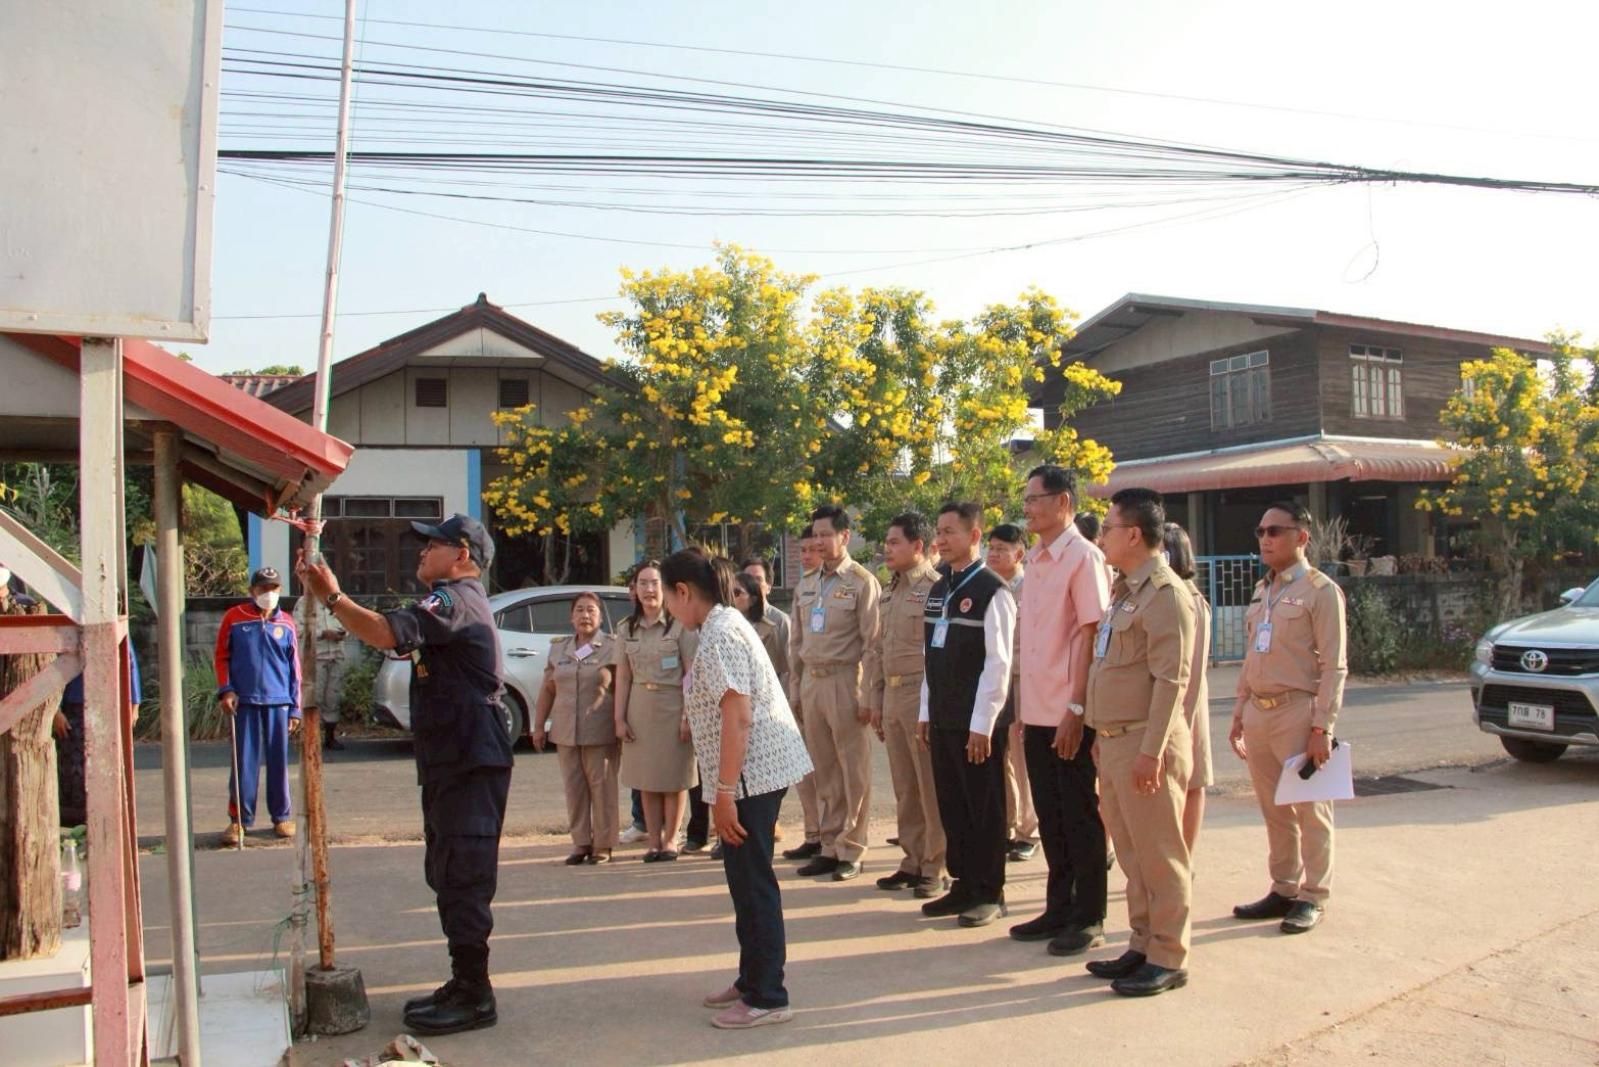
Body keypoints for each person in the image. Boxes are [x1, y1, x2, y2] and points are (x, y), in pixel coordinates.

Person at [297, 513, 513, 1035]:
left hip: (468, 761)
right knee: (446, 872)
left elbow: (384, 632)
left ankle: (475, 994)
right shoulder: (450, 602)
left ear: (462, 554)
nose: (421, 552)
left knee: (463, 875)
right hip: (454, 759)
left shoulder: (455, 600)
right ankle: (463, 981)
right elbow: (396, 639)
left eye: (432, 544)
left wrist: (333, 596)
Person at [664, 549, 813, 1030]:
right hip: (745, 776)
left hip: (752, 777)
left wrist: (724, 792)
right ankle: (752, 979)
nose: (668, 608)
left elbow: (739, 717)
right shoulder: (718, 625)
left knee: (753, 884)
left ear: (683, 592)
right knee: (742, 882)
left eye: (667, 597)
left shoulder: (721, 633)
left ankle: (768, 996)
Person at [1084, 489, 1196, 997]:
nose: (1102, 537)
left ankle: (1169, 956)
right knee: (1132, 855)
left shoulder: (1165, 594)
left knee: (1160, 856)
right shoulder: (1125, 591)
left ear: (1133, 535)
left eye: (1108, 528)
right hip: (1114, 742)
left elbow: (1172, 682)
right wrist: (1098, 733)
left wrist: (1151, 752)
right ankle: (1143, 943)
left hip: (1145, 745)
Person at [1230, 502, 1347, 935]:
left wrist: (1322, 727)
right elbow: (1252, 655)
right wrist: (1240, 709)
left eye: (1275, 531)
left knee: (1310, 810)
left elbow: (1335, 665)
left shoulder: (1321, 591)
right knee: (1274, 809)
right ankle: (1283, 888)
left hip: (1298, 712)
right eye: (1260, 531)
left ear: (1302, 537)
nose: (1265, 539)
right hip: (1260, 711)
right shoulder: (1264, 590)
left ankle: (1313, 895)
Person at [1011, 465, 1113, 955]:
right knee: (1050, 815)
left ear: (1063, 503)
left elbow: (1092, 635)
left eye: (1035, 499)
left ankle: (1089, 915)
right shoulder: (1035, 558)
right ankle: (1059, 907)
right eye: (1026, 500)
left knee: (1079, 814)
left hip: (1069, 709)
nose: (1027, 508)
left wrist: (1077, 707)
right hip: (1036, 709)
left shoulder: (1084, 558)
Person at [917, 503, 1016, 927]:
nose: (941, 540)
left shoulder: (994, 590)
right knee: (953, 804)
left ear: (974, 536)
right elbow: (930, 655)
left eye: (950, 532)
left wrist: (983, 725)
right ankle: (963, 884)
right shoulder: (939, 588)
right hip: (943, 716)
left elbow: (999, 663)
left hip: (978, 723)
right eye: (938, 532)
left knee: (984, 805)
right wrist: (926, 710)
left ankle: (990, 891)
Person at [787, 505, 881, 881]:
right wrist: (796, 690)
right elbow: (796, 644)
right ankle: (829, 845)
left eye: (827, 534)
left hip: (845, 680)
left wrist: (868, 694)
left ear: (845, 536)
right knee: (824, 769)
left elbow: (873, 644)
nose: (820, 541)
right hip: (812, 681)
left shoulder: (861, 582)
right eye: (816, 535)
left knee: (852, 769)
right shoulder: (807, 583)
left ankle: (852, 848)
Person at [862, 512, 947, 899]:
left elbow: (938, 653)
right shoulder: (889, 590)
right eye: (887, 541)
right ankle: (912, 860)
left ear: (918, 546)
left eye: (895, 542)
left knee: (929, 787)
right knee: (905, 786)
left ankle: (935, 865)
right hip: (894, 696)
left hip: (921, 694)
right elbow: (878, 649)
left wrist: (930, 706)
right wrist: (876, 699)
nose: (887, 548)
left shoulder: (935, 587)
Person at [615, 562, 698, 862]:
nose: (649, 589)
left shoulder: (680, 625)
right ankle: (653, 841)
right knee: (646, 779)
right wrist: (619, 718)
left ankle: (671, 840)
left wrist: (688, 715)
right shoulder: (626, 628)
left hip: (674, 706)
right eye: (643, 583)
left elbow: (690, 674)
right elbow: (623, 677)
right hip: (640, 707)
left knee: (674, 778)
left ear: (666, 589)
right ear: (634, 589)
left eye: (655, 583)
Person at [215, 567, 302, 846]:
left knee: (279, 762)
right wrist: (226, 690)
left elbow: (295, 669)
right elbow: (222, 656)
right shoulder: (235, 617)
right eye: (263, 589)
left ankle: (282, 816)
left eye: (274, 588)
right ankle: (239, 820)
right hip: (245, 701)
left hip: (279, 701)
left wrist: (295, 707)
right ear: (252, 591)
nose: (269, 594)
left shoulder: (286, 622)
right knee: (244, 763)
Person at [533, 592, 620, 865]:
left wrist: (623, 722)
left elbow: (624, 688)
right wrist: (538, 726)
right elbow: (548, 689)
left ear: (601, 617)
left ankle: (603, 844)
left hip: (600, 729)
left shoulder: (612, 647)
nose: (585, 615)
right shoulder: (559, 648)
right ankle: (581, 842)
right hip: (565, 731)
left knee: (602, 788)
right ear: (571, 617)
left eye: (591, 610)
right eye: (580, 610)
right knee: (574, 788)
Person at [985, 523, 1038, 863]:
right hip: (994, 683)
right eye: (990, 548)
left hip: (1021, 682)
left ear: (1019, 554)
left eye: (1001, 549)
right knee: (997, 757)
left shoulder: (1031, 590)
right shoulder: (989, 589)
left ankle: (1028, 832)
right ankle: (1004, 824)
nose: (993, 554)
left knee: (1021, 759)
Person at [1163, 523, 1214, 858]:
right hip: (1172, 710)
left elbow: (1191, 672)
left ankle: (1186, 858)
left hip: (1186, 709)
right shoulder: (1162, 595)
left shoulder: (1191, 600)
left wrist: (1180, 722)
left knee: (1191, 783)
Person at [55, 640, 142, 827]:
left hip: (106, 702)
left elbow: (129, 661)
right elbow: (52, 667)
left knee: (106, 762)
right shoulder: (63, 633)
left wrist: (134, 704)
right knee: (73, 765)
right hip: (73, 706)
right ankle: (75, 818)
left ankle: (107, 816)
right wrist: (56, 710)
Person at [311, 597, 348, 751]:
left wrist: (343, 633)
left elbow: (349, 623)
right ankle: (312, 738)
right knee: (314, 698)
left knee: (333, 698)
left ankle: (330, 737)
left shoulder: (339, 601)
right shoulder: (305, 602)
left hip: (336, 657)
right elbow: (297, 630)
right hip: (316, 658)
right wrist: (322, 634)